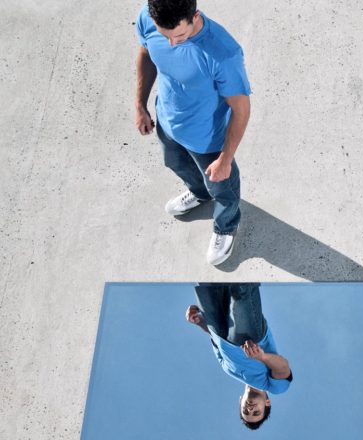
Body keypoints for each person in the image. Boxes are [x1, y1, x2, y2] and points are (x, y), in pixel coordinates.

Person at [134, 0, 251, 265]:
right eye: (166, 36)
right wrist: (140, 104)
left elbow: (241, 110)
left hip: (207, 139)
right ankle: (199, 193)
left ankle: (226, 226)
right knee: (176, 164)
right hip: (167, 120)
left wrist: (226, 159)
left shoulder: (223, 54)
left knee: (223, 189)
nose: (172, 44)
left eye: (180, 36)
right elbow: (146, 53)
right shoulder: (148, 17)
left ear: (195, 16)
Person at [186, 283, 293, 430]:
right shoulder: (272, 387)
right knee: (240, 294)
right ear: (267, 403)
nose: (250, 409)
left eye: (245, 411)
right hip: (249, 339)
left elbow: (217, 343)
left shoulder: (228, 370)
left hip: (218, 332)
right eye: (256, 412)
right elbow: (283, 368)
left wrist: (200, 323)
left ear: (240, 401)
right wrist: (262, 357)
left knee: (206, 286)